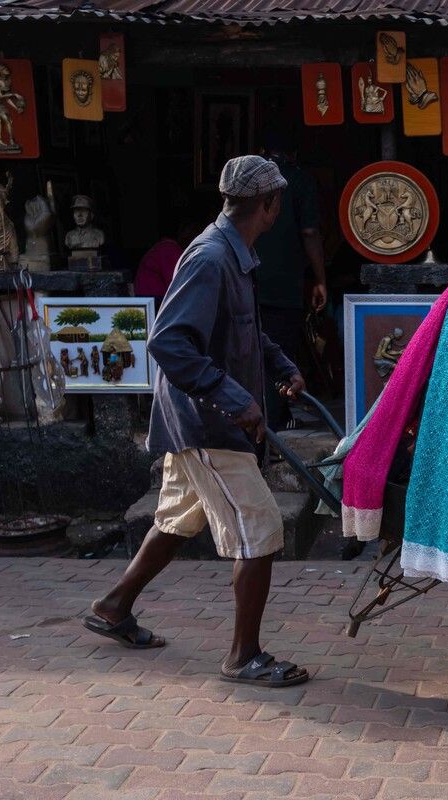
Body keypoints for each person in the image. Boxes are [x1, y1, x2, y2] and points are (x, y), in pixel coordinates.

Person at [83, 155, 311, 688]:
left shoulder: (235, 254)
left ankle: (113, 607)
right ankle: (244, 656)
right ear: (269, 204)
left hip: (205, 415)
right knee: (260, 527)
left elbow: (242, 328)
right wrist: (235, 399)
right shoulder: (211, 258)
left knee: (177, 518)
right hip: (207, 422)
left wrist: (281, 365)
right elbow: (168, 342)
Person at [255, 132, 328, 430]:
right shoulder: (299, 180)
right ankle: (272, 422)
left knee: (248, 349)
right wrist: (320, 279)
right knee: (279, 352)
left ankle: (262, 418)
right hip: (283, 285)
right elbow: (310, 232)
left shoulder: (252, 178)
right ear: (295, 154)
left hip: (248, 278)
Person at [134, 220, 198, 301]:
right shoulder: (169, 249)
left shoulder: (164, 247)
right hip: (154, 301)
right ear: (182, 231)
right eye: (192, 231)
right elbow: (177, 283)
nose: (195, 237)